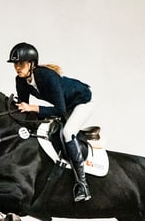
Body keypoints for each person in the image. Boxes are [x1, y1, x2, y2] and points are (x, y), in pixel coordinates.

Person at [7, 42, 95, 202]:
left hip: (82, 101)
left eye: (21, 63)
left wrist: (32, 107)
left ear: (32, 64)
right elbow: (24, 109)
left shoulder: (46, 75)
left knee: (67, 132)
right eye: (15, 64)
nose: (17, 67)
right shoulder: (20, 81)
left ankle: (82, 184)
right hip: (66, 105)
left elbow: (60, 110)